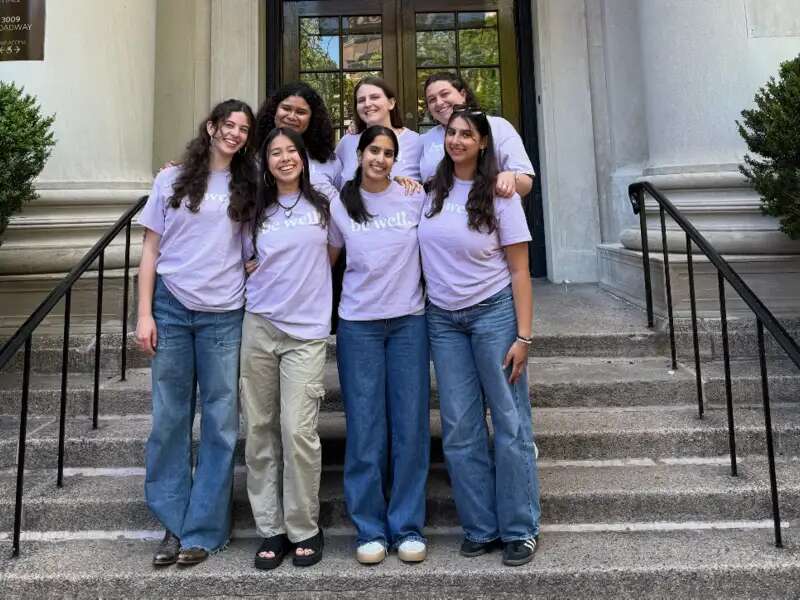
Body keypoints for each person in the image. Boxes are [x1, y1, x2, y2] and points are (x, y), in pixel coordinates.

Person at [418, 106, 541, 567]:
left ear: (484, 142)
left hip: (493, 316)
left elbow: (520, 270)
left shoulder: (499, 194)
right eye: (452, 133)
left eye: (467, 134)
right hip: (443, 320)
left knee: (509, 422)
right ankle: (480, 526)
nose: (457, 140)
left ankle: (519, 527)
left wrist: (524, 337)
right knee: (459, 427)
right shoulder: (429, 192)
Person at [136, 99, 256, 567]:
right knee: (170, 418)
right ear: (211, 127)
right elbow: (150, 251)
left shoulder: (249, 184)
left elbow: (252, 249)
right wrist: (144, 314)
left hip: (224, 312)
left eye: (244, 129)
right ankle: (173, 523)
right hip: (172, 305)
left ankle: (204, 530)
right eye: (229, 125)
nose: (236, 134)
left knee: (221, 422)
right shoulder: (172, 178)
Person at [328, 125, 430, 565]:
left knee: (409, 427)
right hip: (359, 325)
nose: (381, 159)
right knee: (365, 428)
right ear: (360, 153)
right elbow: (324, 260)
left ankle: (407, 526)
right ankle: (369, 528)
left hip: (408, 322)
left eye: (389, 153)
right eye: (374, 150)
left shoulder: (414, 196)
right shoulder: (339, 203)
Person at [239, 127, 332, 569]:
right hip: (259, 326)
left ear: (303, 157)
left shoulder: (324, 205)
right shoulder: (254, 208)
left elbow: (338, 249)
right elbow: (234, 257)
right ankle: (270, 529)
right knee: (259, 429)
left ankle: (304, 527)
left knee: (298, 430)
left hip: (306, 333)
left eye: (290, 150)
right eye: (274, 152)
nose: (283, 158)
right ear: (265, 162)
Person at [419, 72, 534, 198]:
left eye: (444, 94)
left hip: (485, 212)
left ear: (463, 94)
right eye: (432, 100)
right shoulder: (426, 139)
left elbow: (525, 183)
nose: (439, 102)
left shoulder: (497, 126)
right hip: (439, 214)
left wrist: (510, 178)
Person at [254, 81, 341, 198]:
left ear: (312, 118)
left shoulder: (328, 160)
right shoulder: (255, 155)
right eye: (286, 108)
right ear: (274, 111)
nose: (291, 117)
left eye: (301, 112)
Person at [335, 76, 422, 187]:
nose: (367, 104)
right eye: (361, 100)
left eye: (374, 97)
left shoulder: (416, 141)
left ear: (391, 103)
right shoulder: (347, 142)